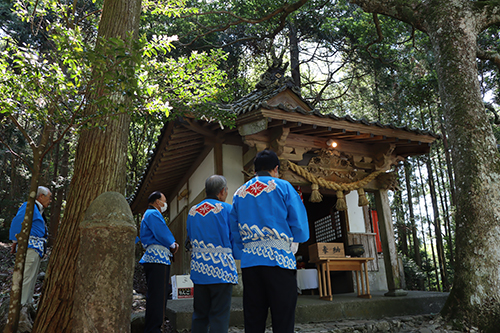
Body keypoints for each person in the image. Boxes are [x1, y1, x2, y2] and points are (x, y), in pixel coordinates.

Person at [230, 149, 309, 333]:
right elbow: (299, 224)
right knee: (283, 318)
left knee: (253, 318)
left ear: (255, 170)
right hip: (279, 261)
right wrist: (295, 240)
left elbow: (234, 229)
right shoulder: (283, 186)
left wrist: (244, 252)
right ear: (276, 169)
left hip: (250, 263)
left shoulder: (239, 193)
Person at [186, 175, 238, 333]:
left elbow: (190, 237)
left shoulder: (192, 211)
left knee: (200, 314)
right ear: (222, 192)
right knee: (219, 315)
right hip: (221, 269)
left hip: (199, 269)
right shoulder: (227, 209)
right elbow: (234, 237)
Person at [139, 191, 179, 333]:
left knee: (155, 295)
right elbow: (162, 232)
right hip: (158, 259)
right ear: (157, 202)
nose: (165, 204)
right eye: (164, 200)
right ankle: (154, 329)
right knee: (158, 296)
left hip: (153, 257)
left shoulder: (147, 214)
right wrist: (173, 244)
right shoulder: (153, 214)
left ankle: (152, 327)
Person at [9, 186, 52, 305]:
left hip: (36, 249)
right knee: (26, 277)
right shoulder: (29, 206)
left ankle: (26, 305)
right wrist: (15, 242)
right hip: (29, 247)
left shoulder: (38, 209)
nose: (50, 200)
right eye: (49, 197)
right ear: (41, 196)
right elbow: (17, 222)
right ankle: (20, 306)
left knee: (32, 278)